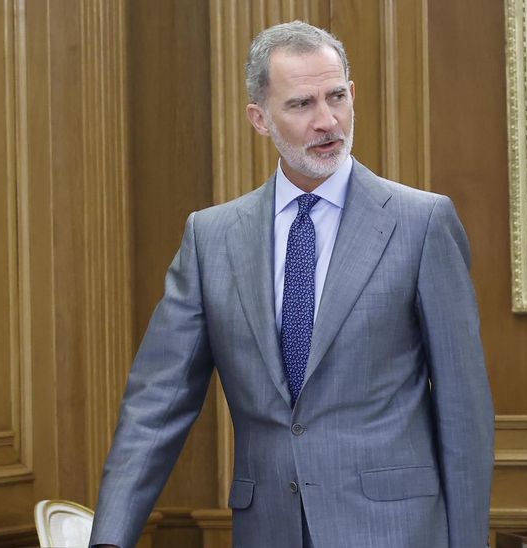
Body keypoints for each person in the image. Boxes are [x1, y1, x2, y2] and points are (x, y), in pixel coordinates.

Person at [89, 21, 494, 548]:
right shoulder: (211, 238)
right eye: (302, 104)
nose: (328, 121)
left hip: (395, 531)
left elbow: (465, 410)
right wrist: (109, 540)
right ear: (260, 118)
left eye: (337, 97)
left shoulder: (421, 223)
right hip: (268, 529)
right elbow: (157, 405)